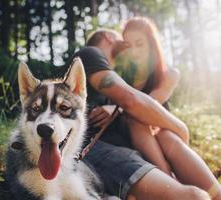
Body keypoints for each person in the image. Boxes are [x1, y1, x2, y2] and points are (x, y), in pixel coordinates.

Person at [71, 26, 221, 199]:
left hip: (131, 147)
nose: (128, 48)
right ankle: (173, 182)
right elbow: (131, 101)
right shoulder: (90, 53)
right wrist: (180, 127)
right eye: (125, 41)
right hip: (97, 149)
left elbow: (133, 104)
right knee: (192, 196)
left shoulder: (121, 75)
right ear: (108, 37)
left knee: (166, 136)